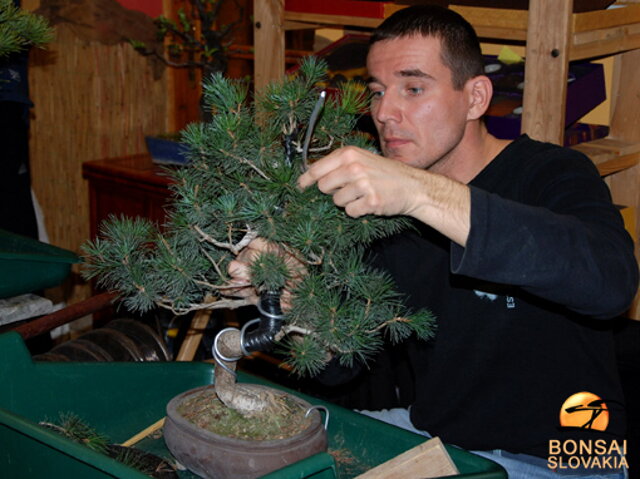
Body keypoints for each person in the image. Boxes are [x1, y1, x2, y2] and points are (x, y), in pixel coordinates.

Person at [229, 5, 638, 478]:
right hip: (439, 442)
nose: (383, 112)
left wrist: (420, 193)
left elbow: (610, 284)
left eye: (414, 88)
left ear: (475, 97)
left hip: (566, 460)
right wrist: (292, 300)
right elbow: (339, 368)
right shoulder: (381, 212)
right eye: (378, 91)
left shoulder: (552, 174)